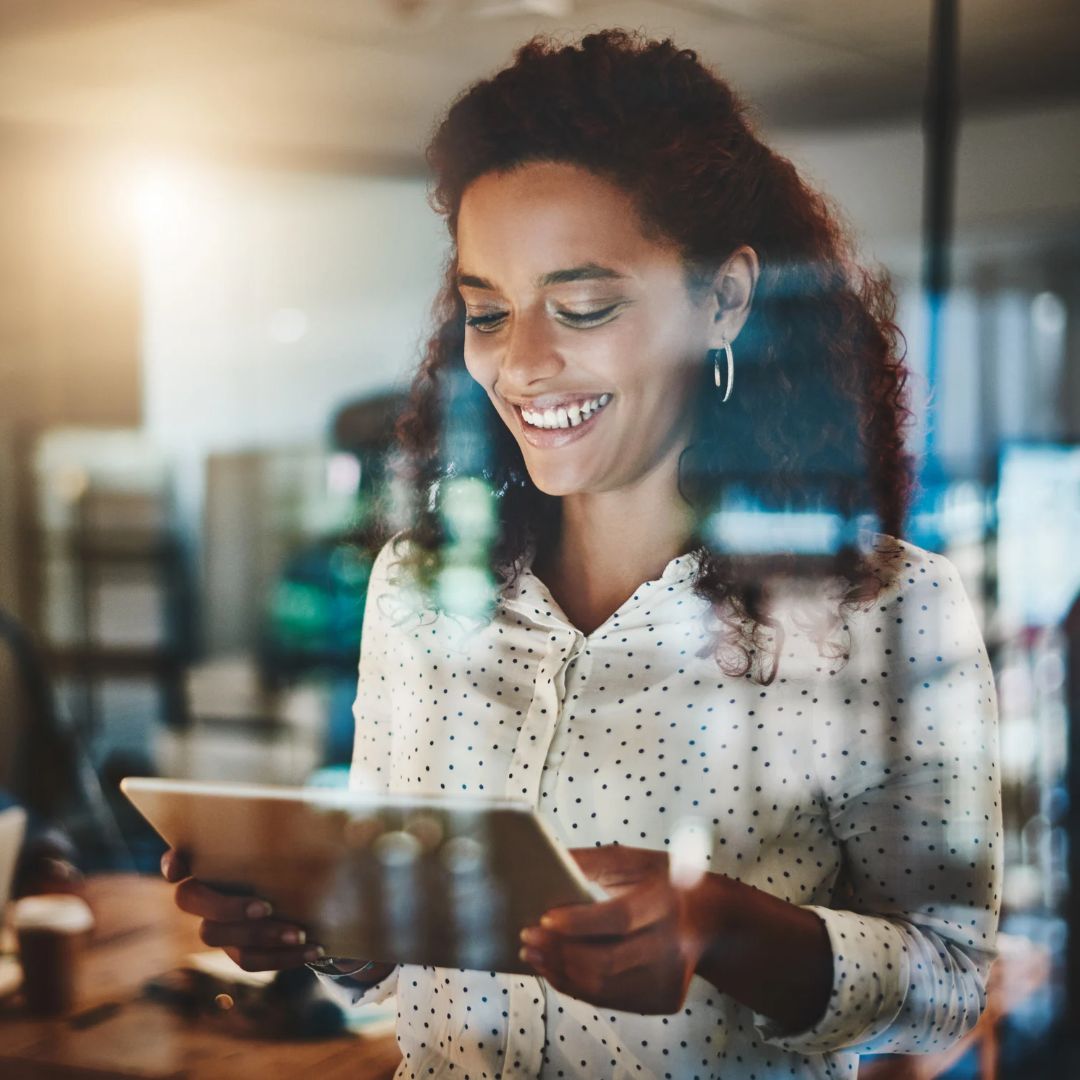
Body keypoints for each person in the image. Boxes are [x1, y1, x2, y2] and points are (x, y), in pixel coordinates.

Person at [163, 30, 1002, 1079]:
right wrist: (323, 926)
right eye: (487, 312)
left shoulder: (883, 611)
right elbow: (391, 952)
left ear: (726, 300)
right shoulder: (418, 592)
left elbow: (953, 986)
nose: (521, 365)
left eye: (586, 307)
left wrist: (722, 928)